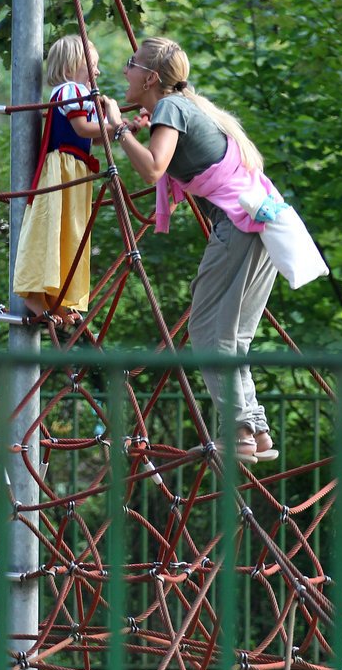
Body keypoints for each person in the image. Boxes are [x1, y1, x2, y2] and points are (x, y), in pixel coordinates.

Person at [103, 36, 284, 464]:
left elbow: (152, 169)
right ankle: (254, 430)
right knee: (234, 335)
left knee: (206, 332)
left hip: (238, 227)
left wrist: (118, 128)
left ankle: (238, 431)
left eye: (131, 64)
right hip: (265, 222)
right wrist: (138, 131)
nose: (125, 71)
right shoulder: (190, 107)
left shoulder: (171, 107)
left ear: (150, 77)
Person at [13, 34, 105, 325]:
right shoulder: (69, 90)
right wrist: (115, 128)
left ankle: (57, 298)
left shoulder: (80, 92)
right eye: (93, 64)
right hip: (62, 169)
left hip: (76, 170)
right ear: (73, 64)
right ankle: (35, 294)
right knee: (51, 227)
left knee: (70, 233)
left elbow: (92, 134)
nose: (98, 72)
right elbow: (82, 127)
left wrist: (121, 128)